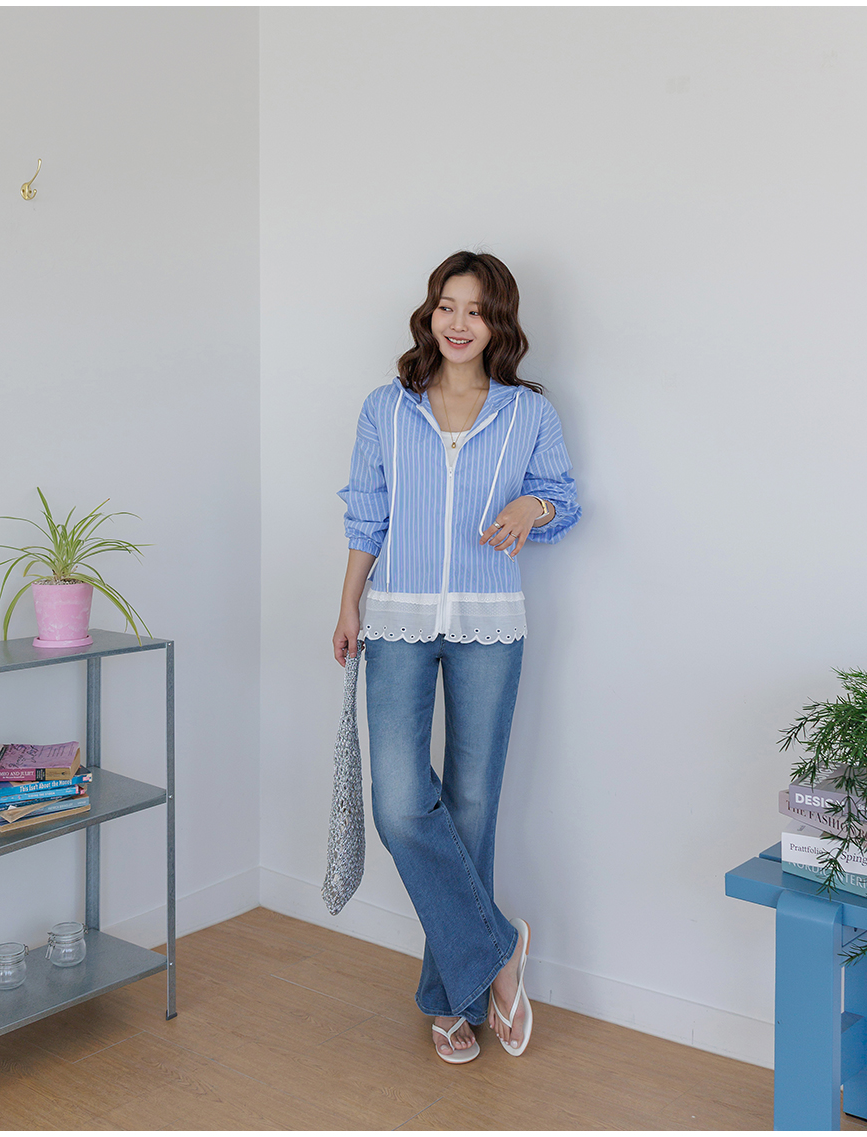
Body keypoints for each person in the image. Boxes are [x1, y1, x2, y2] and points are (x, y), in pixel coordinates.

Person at [333, 251, 580, 1063]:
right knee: (402, 803)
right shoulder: (387, 407)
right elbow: (367, 514)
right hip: (397, 618)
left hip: (490, 622)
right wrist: (349, 603)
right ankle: (500, 949)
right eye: (447, 304)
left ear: (498, 321)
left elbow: (566, 502)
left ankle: (454, 1002)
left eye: (476, 309)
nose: (459, 322)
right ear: (430, 313)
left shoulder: (528, 412)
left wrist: (531, 504)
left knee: (473, 806)